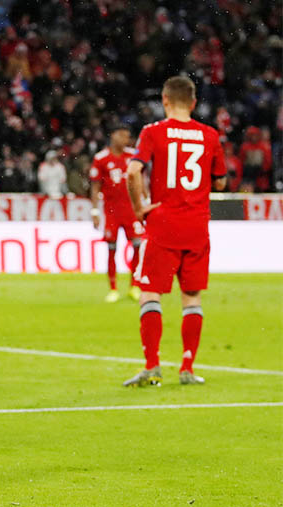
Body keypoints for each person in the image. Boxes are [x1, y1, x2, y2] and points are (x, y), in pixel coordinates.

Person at [124, 76, 226, 387]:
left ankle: (153, 365)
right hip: (196, 226)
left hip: (164, 224)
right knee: (191, 299)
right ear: (194, 103)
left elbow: (132, 170)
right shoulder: (209, 136)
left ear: (165, 100)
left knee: (149, 293)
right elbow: (220, 182)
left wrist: (140, 206)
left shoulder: (153, 132)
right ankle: (187, 367)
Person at [89, 125, 144, 303]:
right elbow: (95, 185)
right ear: (112, 135)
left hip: (131, 209)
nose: (125, 140)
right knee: (111, 249)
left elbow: (140, 179)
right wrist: (95, 210)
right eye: (122, 135)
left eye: (128, 136)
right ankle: (113, 288)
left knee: (137, 246)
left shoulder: (133, 156)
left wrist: (145, 201)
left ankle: (134, 286)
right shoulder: (101, 158)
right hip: (111, 211)